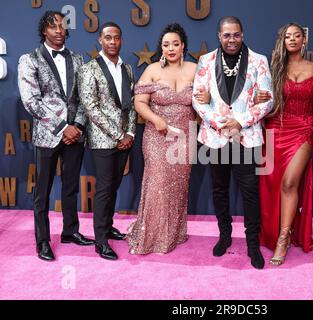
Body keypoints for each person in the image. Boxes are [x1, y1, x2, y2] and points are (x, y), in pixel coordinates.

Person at [192, 16, 273, 269]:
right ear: (219, 36)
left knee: (250, 193)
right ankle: (224, 236)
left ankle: (251, 244)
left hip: (245, 137)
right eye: (226, 35)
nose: (231, 40)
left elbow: (267, 101)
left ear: (242, 34)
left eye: (236, 35)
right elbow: (197, 99)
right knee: (219, 190)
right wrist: (219, 123)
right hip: (215, 137)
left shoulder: (259, 60)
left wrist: (240, 122)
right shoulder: (205, 61)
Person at [17, 11, 94, 261]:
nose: (59, 30)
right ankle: (42, 241)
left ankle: (70, 231)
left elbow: (85, 98)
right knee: (43, 191)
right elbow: (32, 101)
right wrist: (64, 127)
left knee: (71, 187)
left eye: (62, 26)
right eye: (53, 27)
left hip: (76, 135)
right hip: (48, 135)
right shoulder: (29, 60)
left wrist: (78, 126)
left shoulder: (78, 58)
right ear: (44, 31)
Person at [126, 23, 209, 255]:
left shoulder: (196, 69)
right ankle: (151, 237)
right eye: (166, 44)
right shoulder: (152, 69)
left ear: (183, 46)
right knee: (158, 184)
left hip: (184, 138)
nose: (170, 48)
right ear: (161, 48)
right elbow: (139, 103)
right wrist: (156, 119)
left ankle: (173, 233)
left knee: (178, 187)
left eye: (175, 44)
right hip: (156, 136)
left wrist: (206, 96)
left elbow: (207, 99)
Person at [257, 23, 313, 266]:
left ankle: (284, 238)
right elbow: (260, 96)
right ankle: (275, 232)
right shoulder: (274, 69)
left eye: (297, 36)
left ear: (304, 40)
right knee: (272, 186)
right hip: (275, 128)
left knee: (289, 182)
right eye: (287, 36)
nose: (292, 39)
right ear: (282, 41)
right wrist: (261, 96)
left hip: (303, 129)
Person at [77, 22, 137, 260]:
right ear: (100, 41)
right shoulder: (88, 69)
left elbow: (131, 104)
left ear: (121, 40)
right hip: (103, 141)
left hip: (124, 140)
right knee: (103, 189)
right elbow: (91, 109)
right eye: (108, 38)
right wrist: (118, 134)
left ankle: (108, 226)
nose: (113, 42)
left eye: (117, 38)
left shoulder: (128, 68)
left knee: (113, 187)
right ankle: (100, 241)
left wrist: (130, 133)